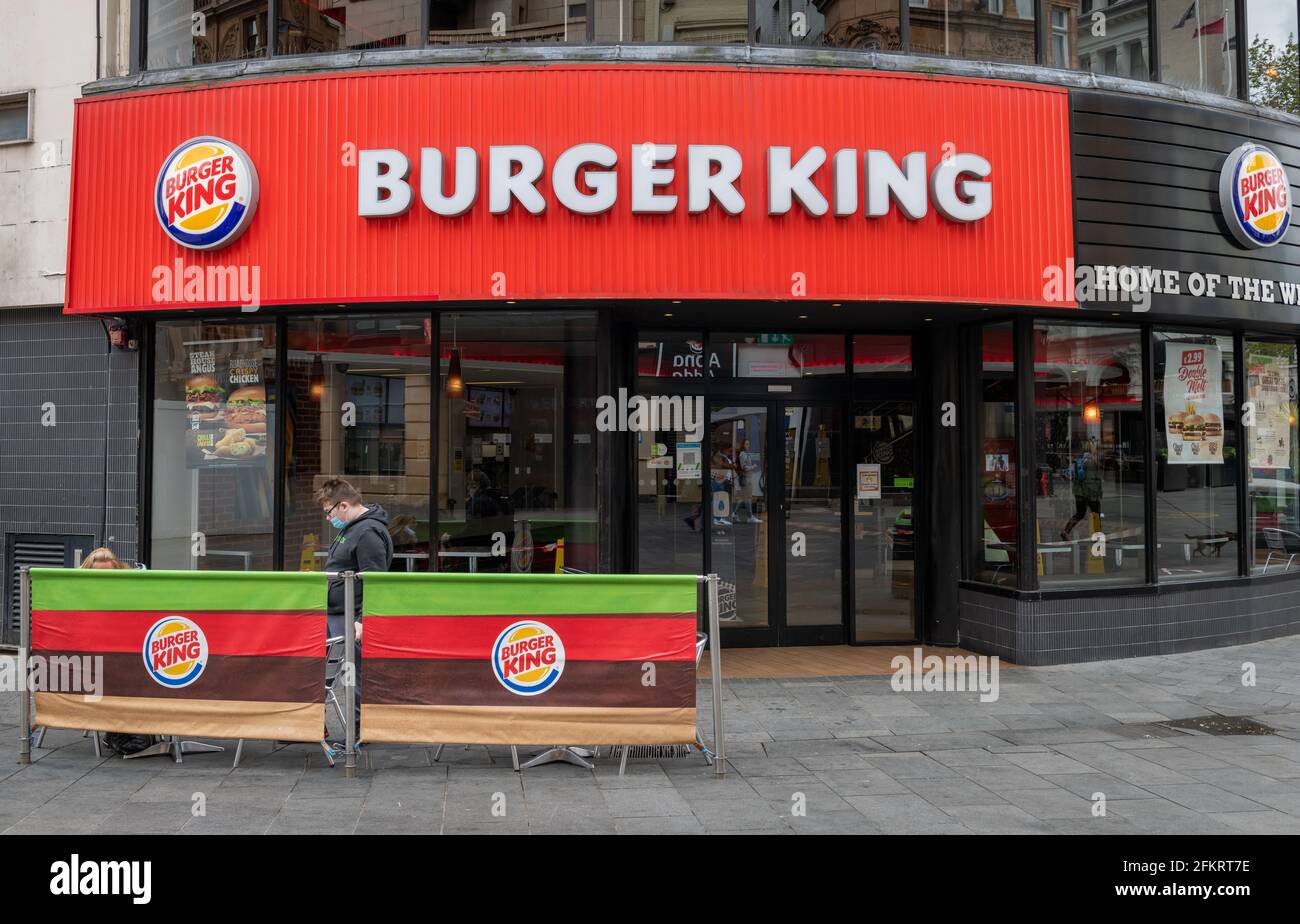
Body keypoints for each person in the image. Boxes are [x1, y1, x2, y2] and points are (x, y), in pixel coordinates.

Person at [317, 477, 394, 741]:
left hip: (351, 615)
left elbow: (374, 580)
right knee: (335, 672)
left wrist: (362, 620)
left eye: (329, 512)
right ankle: (317, 724)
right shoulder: (352, 528)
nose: (329, 519)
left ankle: (362, 729)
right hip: (340, 612)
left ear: (344, 505)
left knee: (357, 675)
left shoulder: (367, 532)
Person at [1061, 438, 1103, 541]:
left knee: (1080, 513)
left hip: (1079, 492)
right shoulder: (1091, 461)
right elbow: (1092, 479)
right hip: (1090, 493)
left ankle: (1066, 531)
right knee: (1096, 513)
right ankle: (1098, 536)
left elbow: (1069, 474)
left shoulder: (1079, 460)